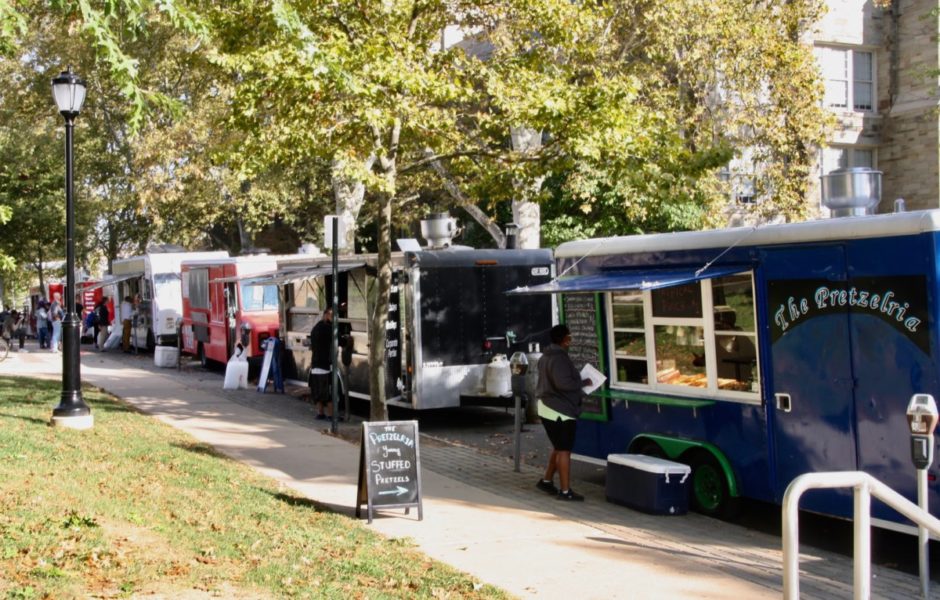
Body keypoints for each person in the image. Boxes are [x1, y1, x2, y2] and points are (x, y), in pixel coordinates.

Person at [535, 324, 592, 501]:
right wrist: (584, 383)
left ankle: (546, 481)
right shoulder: (560, 358)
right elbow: (563, 384)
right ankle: (565, 491)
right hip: (559, 410)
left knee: (559, 447)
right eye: (570, 336)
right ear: (565, 340)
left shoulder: (546, 356)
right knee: (564, 451)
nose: (571, 339)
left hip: (547, 407)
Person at [308, 306, 336, 420]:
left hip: (314, 364)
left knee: (317, 392)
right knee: (327, 393)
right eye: (332, 315)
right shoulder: (328, 328)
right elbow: (338, 340)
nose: (333, 318)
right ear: (326, 315)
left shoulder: (316, 328)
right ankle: (331, 415)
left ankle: (320, 413)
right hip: (324, 365)